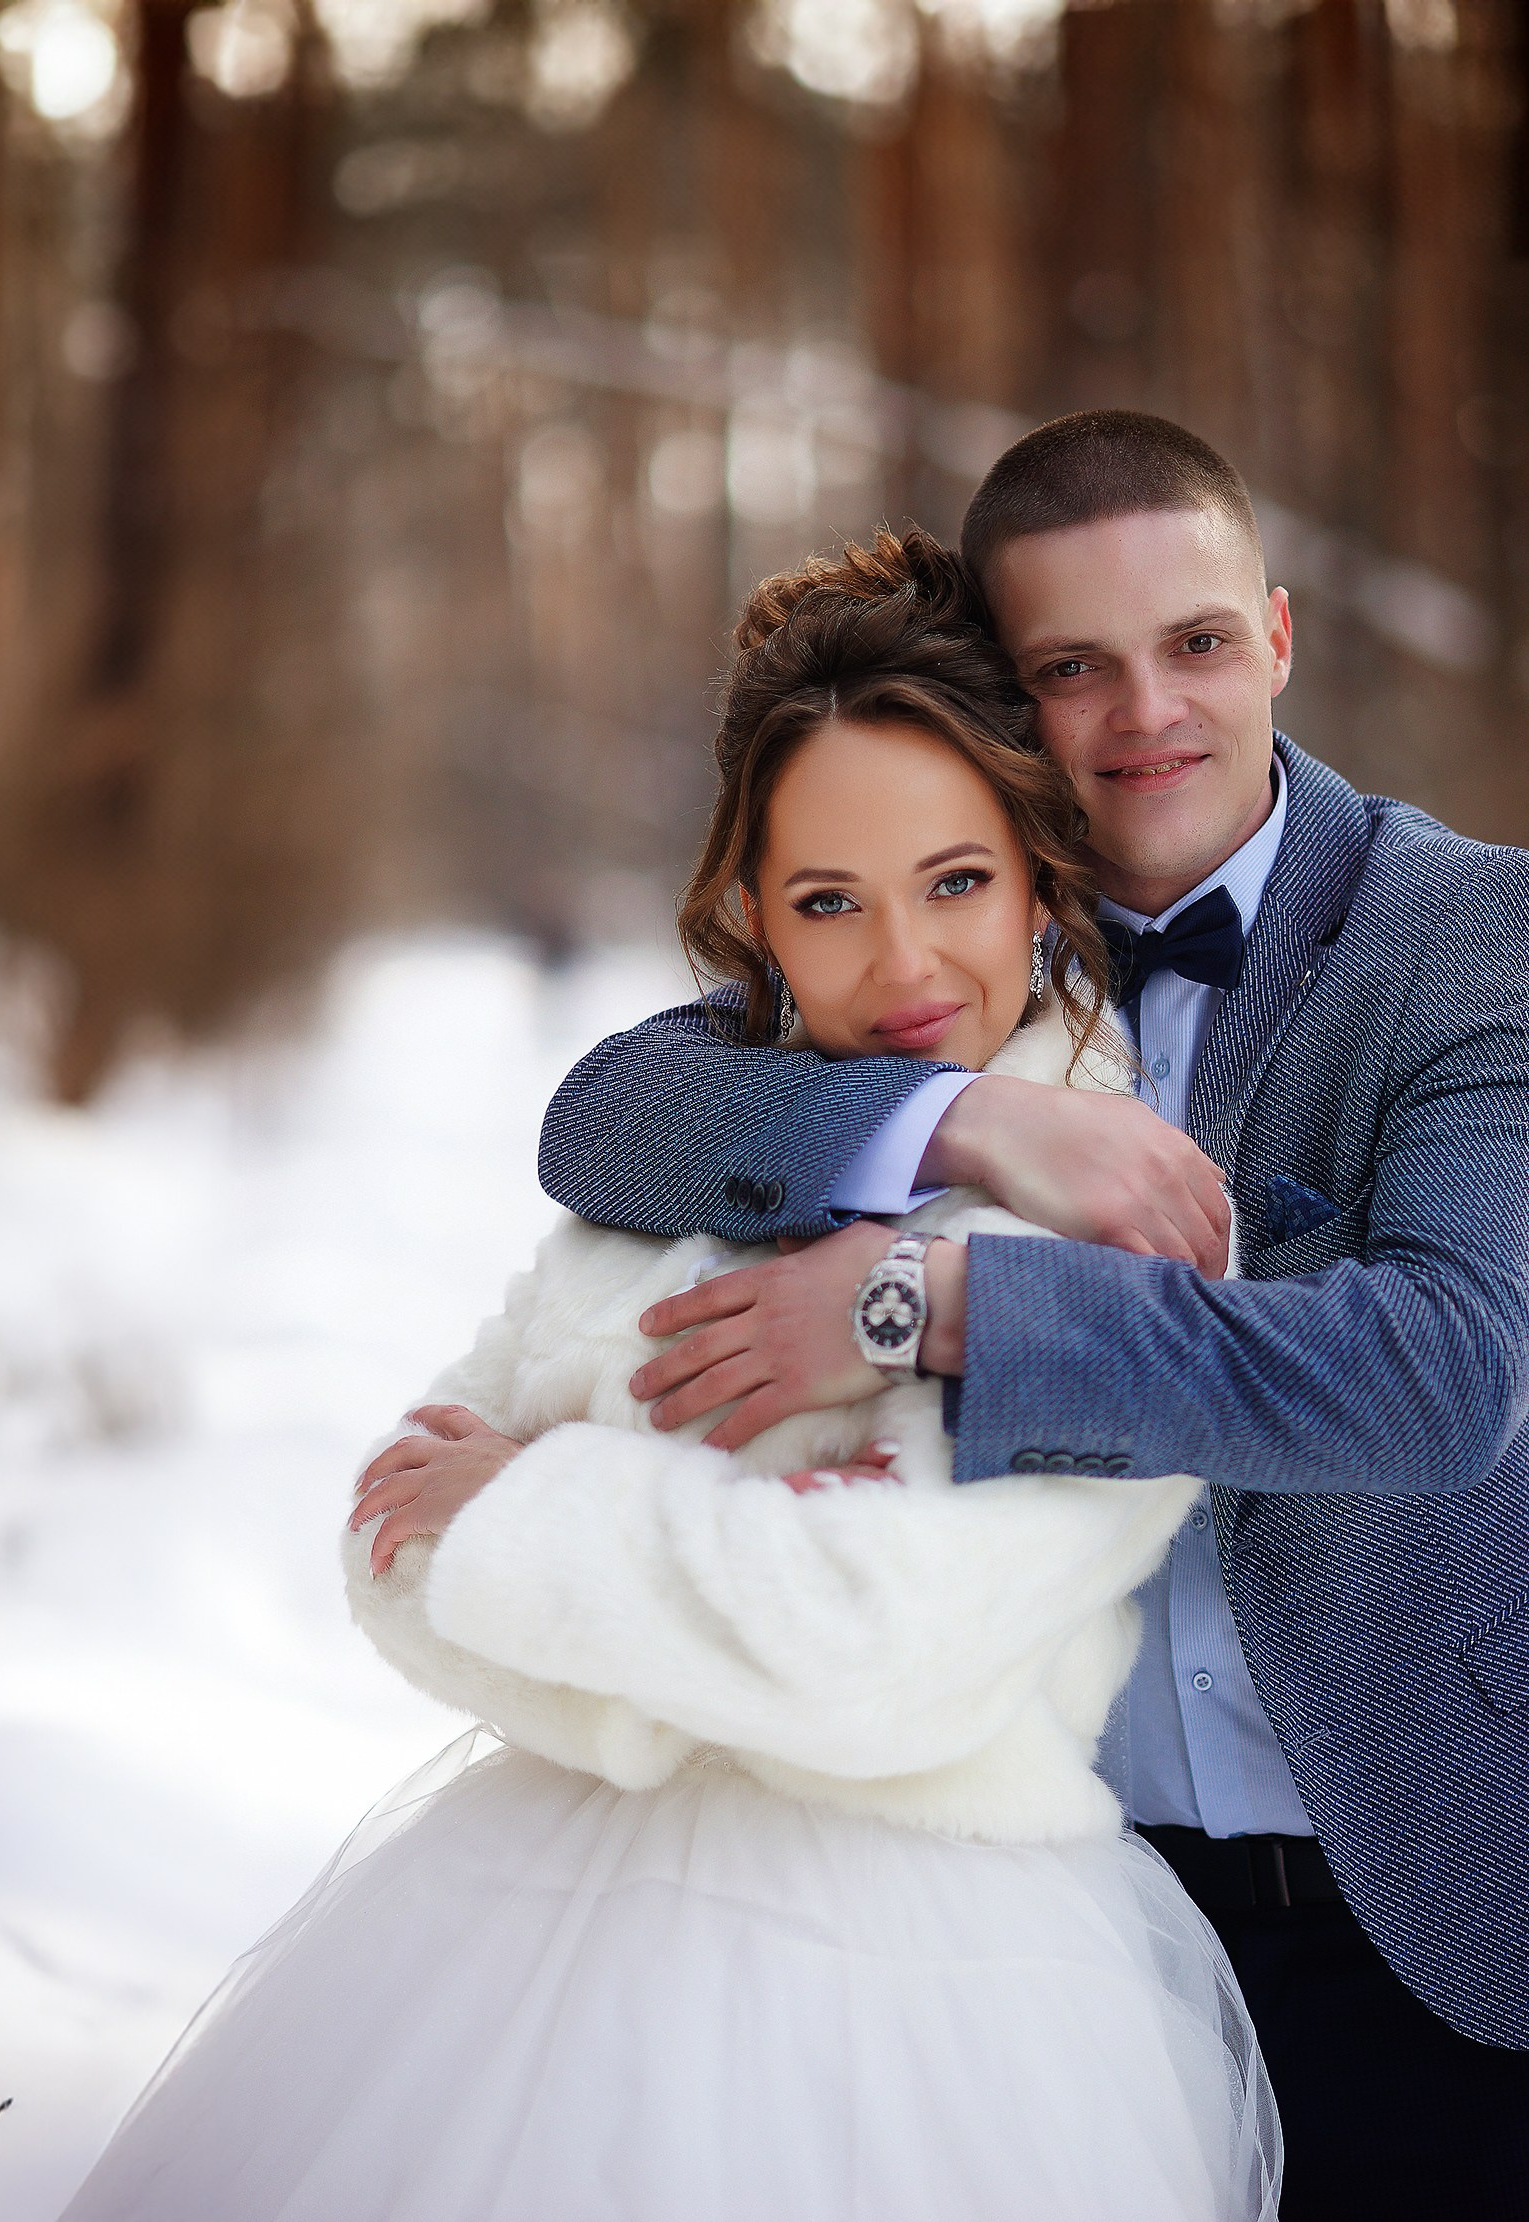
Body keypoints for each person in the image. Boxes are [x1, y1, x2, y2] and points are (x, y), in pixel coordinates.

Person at [64, 530, 1279, 2222]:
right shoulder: (700, 1164)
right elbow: (391, 1542)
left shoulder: (1125, 1213)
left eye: (955, 883)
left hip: (930, 1988)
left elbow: (880, 1659)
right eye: (829, 905)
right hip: (521, 1934)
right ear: (755, 918)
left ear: (1038, 875)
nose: (906, 970)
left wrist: (548, 1526)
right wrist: (693, 1612)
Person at [537, 410, 1529, 2218]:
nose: (1147, 714)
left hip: (1417, 1904)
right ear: (1010, 694)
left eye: (1199, 644)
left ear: (1280, 637)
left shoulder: (1467, 934)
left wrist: (943, 1298)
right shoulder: (955, 936)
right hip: (1050, 1914)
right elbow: (605, 1113)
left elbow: (1444, 1375)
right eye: (1074, 668)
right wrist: (965, 1114)